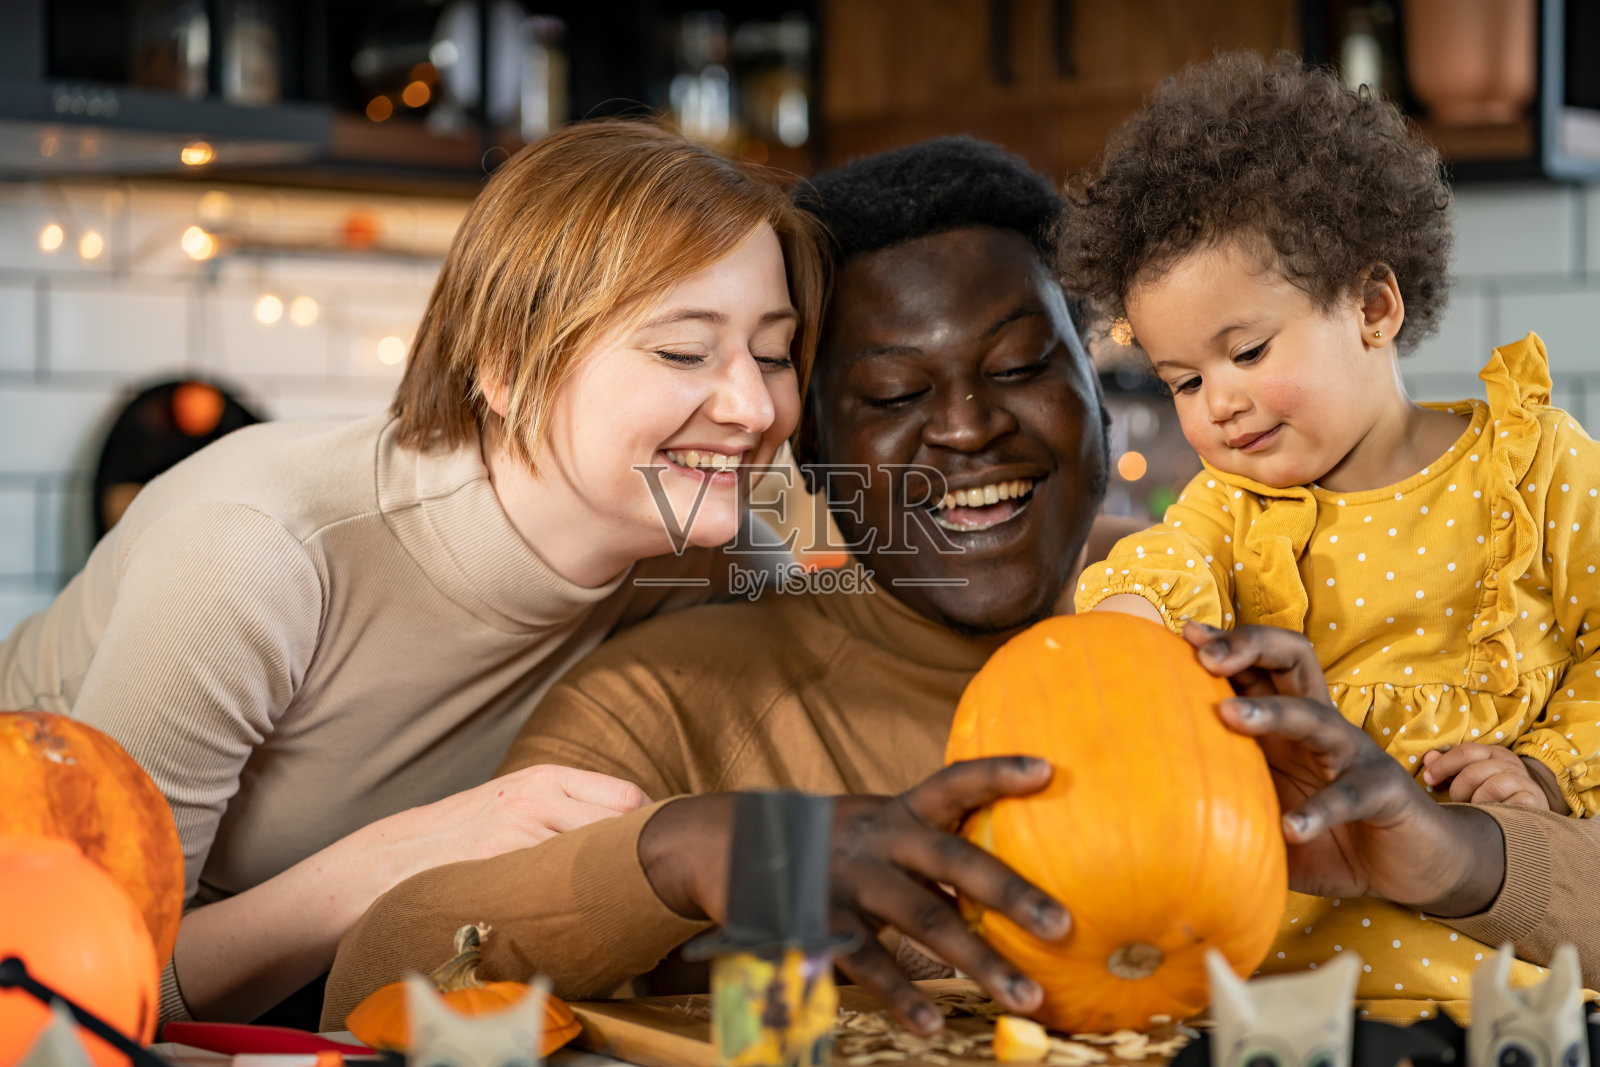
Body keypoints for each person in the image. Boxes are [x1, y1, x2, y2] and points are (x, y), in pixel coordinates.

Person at [321, 137, 1600, 1033]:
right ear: (812, 450)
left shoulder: (1272, 636)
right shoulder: (674, 698)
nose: (968, 429)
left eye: (1020, 367)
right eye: (891, 393)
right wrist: (682, 857)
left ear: (1103, 398)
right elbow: (376, 978)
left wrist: (1455, 856)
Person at [0, 120, 824, 1025]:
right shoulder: (255, 550)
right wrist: (389, 862)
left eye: (773, 354)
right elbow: (78, 990)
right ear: (506, 367)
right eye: (684, 351)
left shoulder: (720, 557)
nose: (754, 407)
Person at [1061, 52, 1600, 1010]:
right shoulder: (1232, 508)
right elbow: (1161, 563)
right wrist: (1129, 627)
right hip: (1279, 992)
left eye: (1247, 351)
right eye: (1185, 381)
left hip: (1494, 989)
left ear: (1373, 305)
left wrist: (1546, 769)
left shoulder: (1535, 466)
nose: (1218, 403)